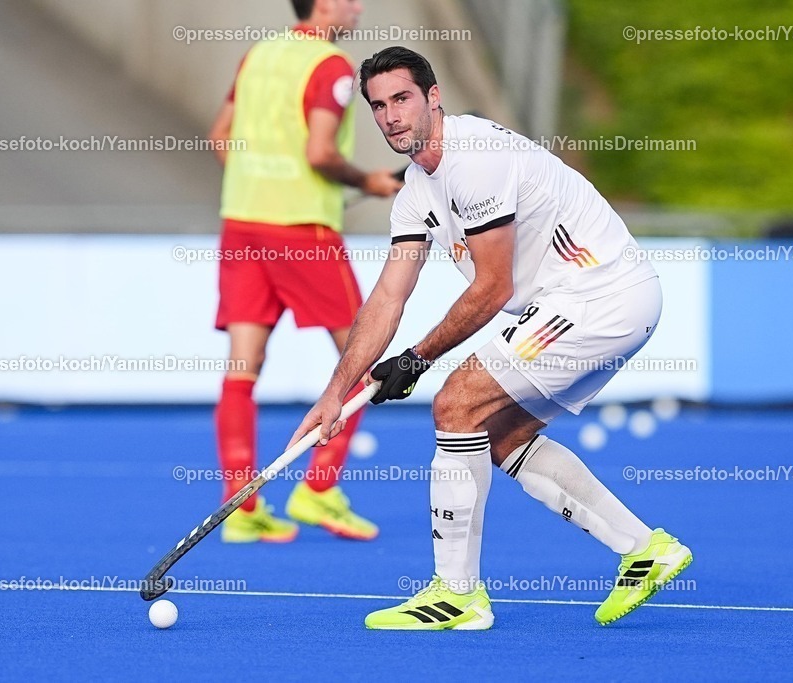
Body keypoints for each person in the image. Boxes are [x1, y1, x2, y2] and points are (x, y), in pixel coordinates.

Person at [290, 46, 692, 629]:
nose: (390, 116)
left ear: (433, 98)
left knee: (457, 402)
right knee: (496, 433)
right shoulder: (414, 193)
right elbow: (387, 299)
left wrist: (416, 359)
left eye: (402, 99)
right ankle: (645, 550)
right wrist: (335, 393)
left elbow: (492, 288)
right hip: (587, 304)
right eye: (378, 106)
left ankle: (456, 596)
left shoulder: (473, 156)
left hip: (597, 296)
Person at [207, 0, 402, 544]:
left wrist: (259, 187)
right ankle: (318, 489)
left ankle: (240, 504)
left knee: (244, 365)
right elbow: (319, 152)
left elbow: (220, 137)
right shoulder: (332, 66)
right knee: (364, 357)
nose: (358, 6)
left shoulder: (259, 55)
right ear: (322, 5)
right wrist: (368, 183)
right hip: (303, 235)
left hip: (242, 225)